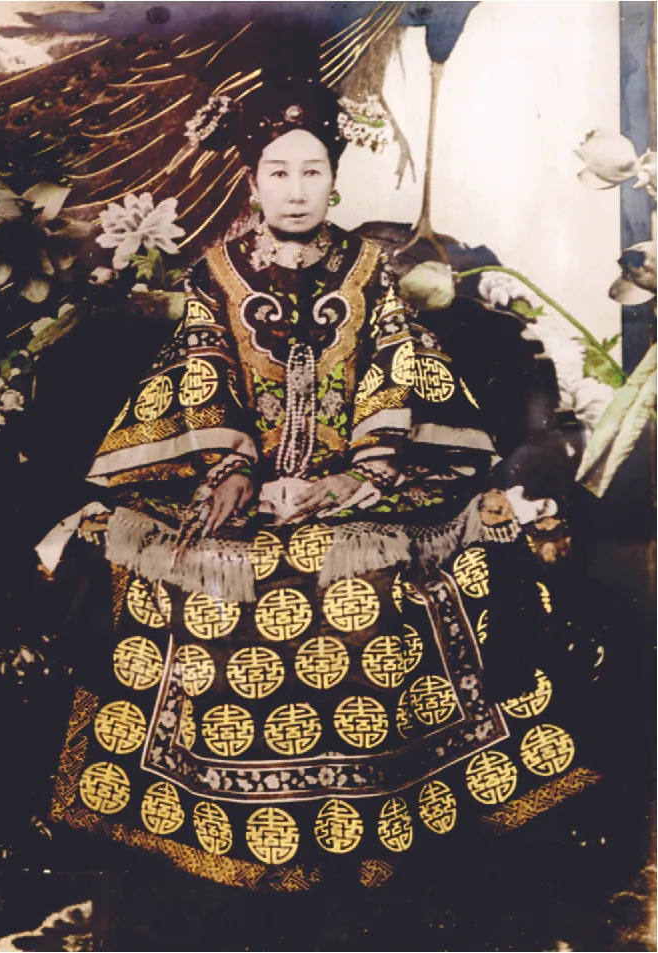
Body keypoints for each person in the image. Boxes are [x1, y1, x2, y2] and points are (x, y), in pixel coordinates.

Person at [44, 74, 598, 902]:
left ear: (333, 179)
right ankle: (202, 823)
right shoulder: (213, 274)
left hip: (360, 492)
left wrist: (348, 477)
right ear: (252, 181)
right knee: (193, 585)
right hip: (236, 491)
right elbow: (202, 374)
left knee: (372, 590)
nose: (295, 190)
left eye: (311, 172)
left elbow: (396, 376)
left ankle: (381, 818)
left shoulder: (370, 269)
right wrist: (235, 470)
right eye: (278, 171)